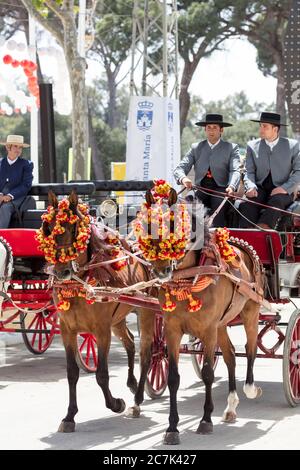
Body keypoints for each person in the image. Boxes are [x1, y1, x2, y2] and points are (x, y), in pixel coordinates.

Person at [173, 113, 240, 227]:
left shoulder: (231, 148)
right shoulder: (196, 148)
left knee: (218, 204)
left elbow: (235, 170)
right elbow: (179, 169)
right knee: (188, 201)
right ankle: (190, 236)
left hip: (221, 189)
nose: (211, 131)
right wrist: (183, 178)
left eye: (215, 128)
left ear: (221, 130)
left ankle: (218, 238)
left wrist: (232, 186)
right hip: (200, 188)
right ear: (205, 129)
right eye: (208, 127)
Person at [239, 112, 300, 229]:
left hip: (283, 190)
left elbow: (298, 171)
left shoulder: (292, 146)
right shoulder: (252, 146)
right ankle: (246, 236)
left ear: (275, 129)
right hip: (259, 188)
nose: (261, 129)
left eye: (265, 126)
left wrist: (284, 188)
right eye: (260, 125)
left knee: (276, 201)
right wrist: (250, 186)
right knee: (248, 203)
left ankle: (262, 231)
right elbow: (249, 171)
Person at [0, 135, 33, 228]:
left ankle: (1, 238)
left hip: (17, 197)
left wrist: (10, 196)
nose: (18, 149)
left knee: (5, 208)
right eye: (15, 146)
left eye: (20, 147)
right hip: (1, 196)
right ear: (7, 147)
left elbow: (26, 185)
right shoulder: (0, 163)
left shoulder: (26, 164)